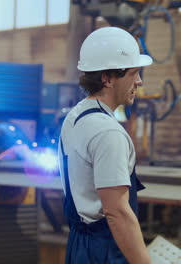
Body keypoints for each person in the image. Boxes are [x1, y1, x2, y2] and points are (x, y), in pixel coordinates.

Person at [58, 27, 152, 264]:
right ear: (107, 78)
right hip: (105, 249)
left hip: (80, 242)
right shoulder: (108, 132)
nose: (139, 81)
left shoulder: (76, 116)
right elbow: (117, 212)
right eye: (133, 73)